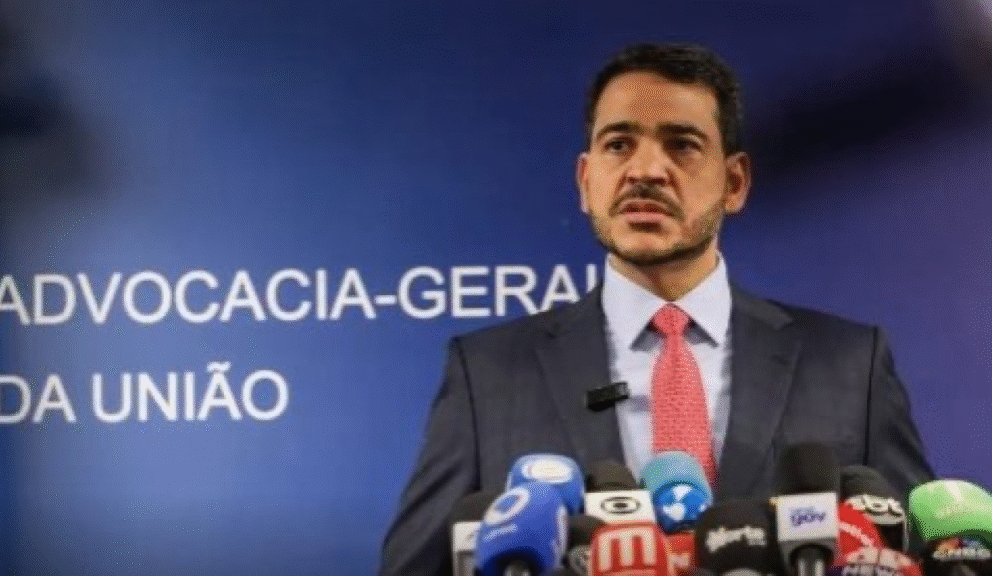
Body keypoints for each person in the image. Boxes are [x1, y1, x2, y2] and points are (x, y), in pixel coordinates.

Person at [379, 43, 933, 575]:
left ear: (735, 182)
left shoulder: (849, 365)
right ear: (586, 181)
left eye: (682, 145)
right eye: (619, 144)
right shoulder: (487, 374)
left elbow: (923, 556)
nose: (645, 170)